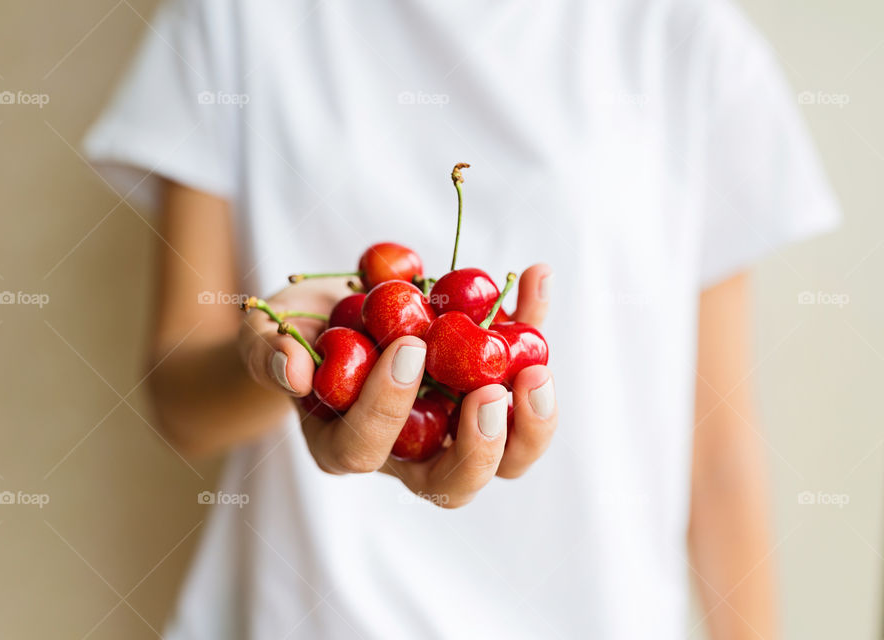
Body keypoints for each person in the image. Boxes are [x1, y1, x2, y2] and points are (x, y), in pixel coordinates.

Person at [84, 0, 839, 637]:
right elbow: (181, 407)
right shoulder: (237, 16)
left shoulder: (684, 32)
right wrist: (284, 360)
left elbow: (717, 448)